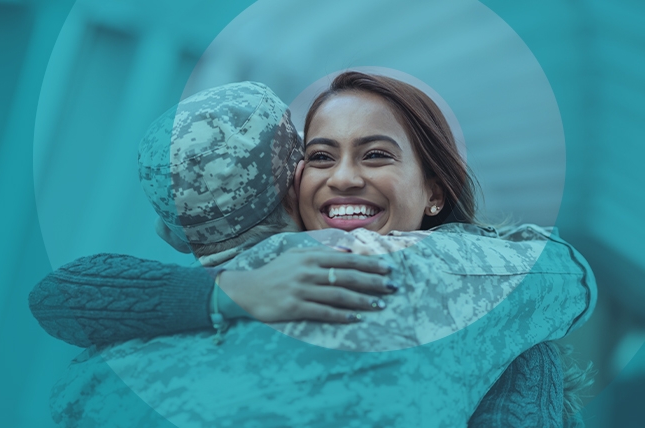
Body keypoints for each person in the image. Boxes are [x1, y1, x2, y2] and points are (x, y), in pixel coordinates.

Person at [33, 76, 595, 426]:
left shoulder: (106, 367)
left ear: (434, 191)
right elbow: (563, 276)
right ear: (288, 181)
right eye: (321, 157)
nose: (344, 177)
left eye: (376, 155)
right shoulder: (469, 287)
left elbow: (59, 298)